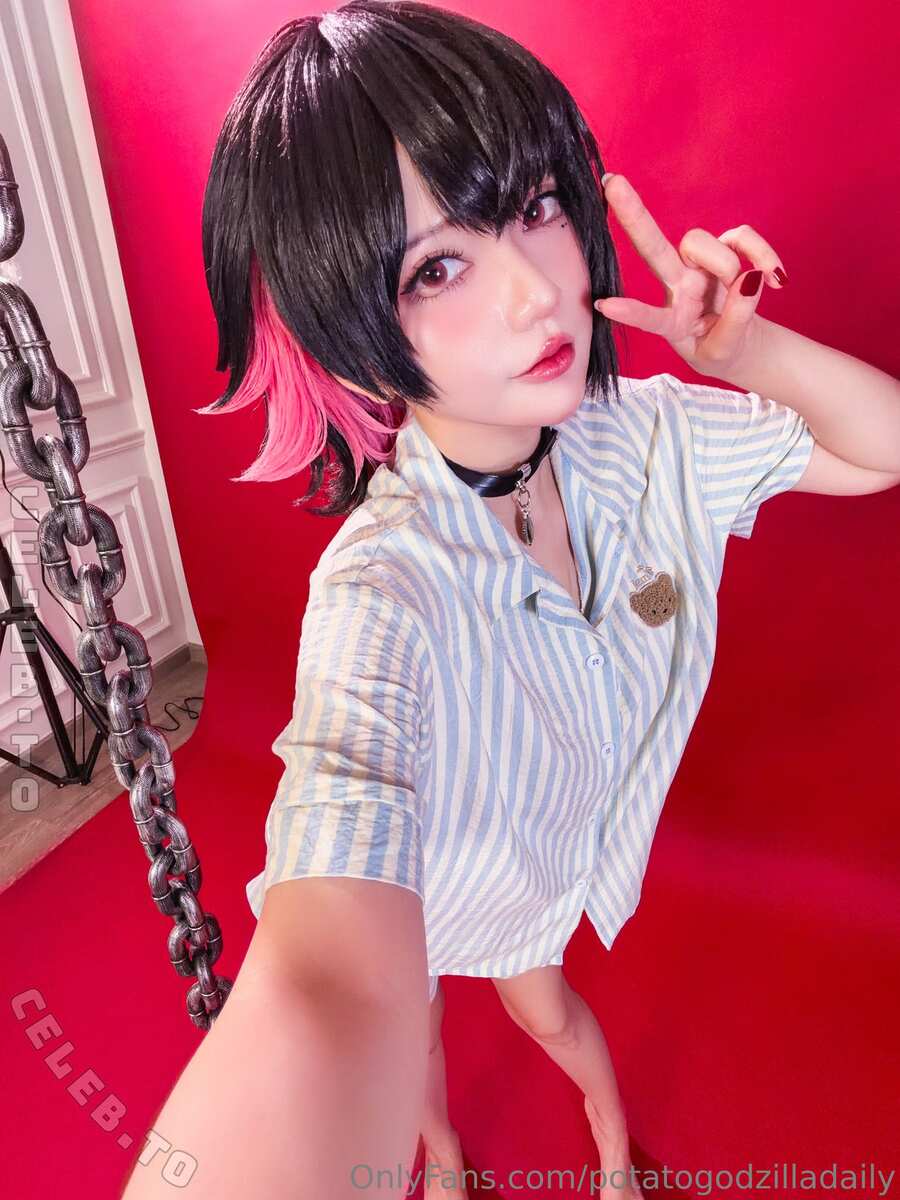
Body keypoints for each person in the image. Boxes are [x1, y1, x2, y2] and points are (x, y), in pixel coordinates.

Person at [122, 3, 900, 1198]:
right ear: (360, 339)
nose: (538, 294)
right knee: (416, 1044)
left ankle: (610, 1153)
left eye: (536, 207)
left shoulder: (646, 439)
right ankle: (441, 1165)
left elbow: (880, 449)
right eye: (437, 268)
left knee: (551, 1016)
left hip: (528, 880)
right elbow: (331, 986)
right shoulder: (378, 589)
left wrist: (751, 359)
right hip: (419, 890)